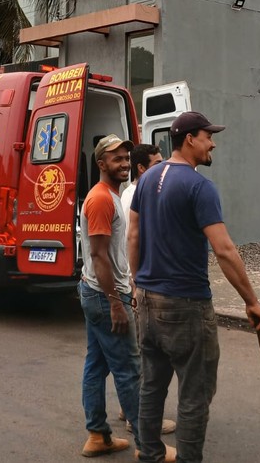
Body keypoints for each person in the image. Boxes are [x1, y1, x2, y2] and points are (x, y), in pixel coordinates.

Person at [128, 112, 260, 463]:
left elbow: (133, 234)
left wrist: (137, 281)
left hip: (146, 298)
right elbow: (224, 249)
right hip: (185, 303)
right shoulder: (199, 186)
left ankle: (150, 456)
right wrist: (252, 301)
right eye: (208, 136)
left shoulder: (146, 179)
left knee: (151, 387)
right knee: (194, 393)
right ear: (189, 139)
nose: (213, 143)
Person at [78, 134, 175, 461]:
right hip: (105, 296)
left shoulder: (109, 195)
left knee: (96, 365)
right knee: (129, 369)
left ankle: (97, 436)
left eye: (125, 158)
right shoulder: (102, 199)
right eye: (115, 159)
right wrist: (116, 302)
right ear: (101, 163)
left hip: (97, 292)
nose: (122, 164)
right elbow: (99, 255)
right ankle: (150, 447)